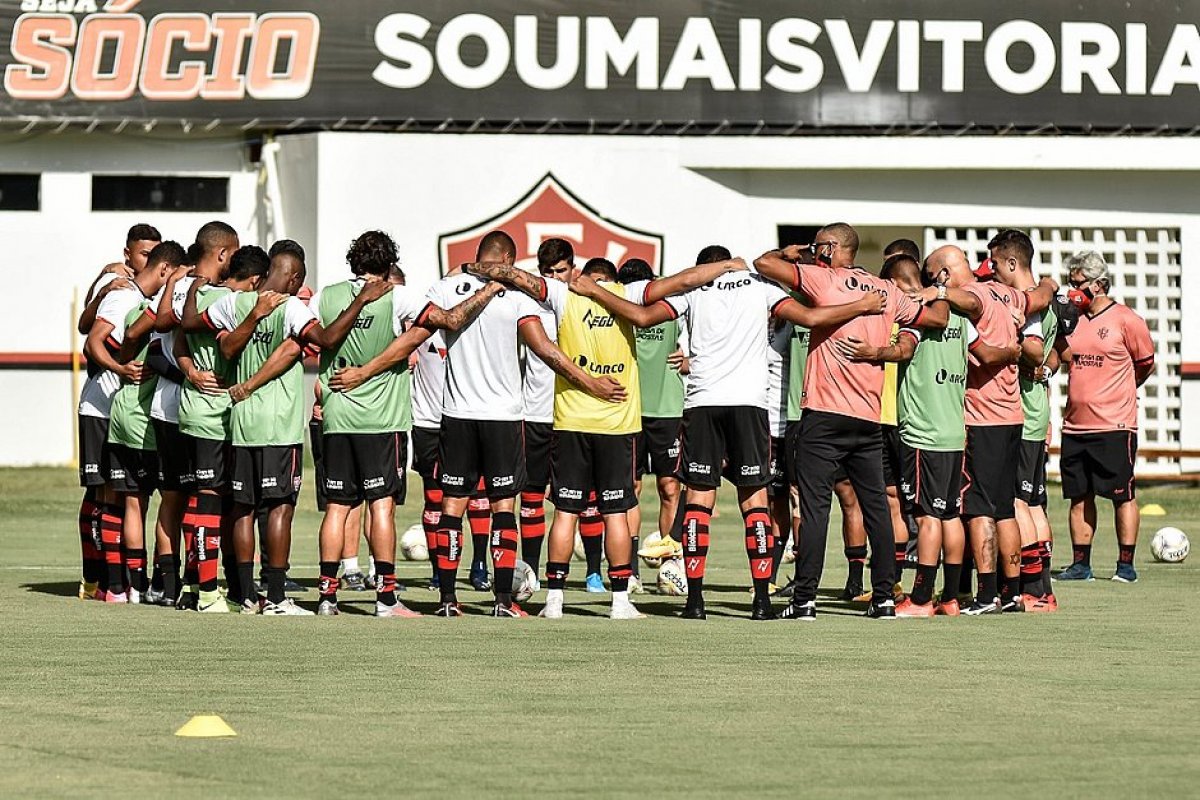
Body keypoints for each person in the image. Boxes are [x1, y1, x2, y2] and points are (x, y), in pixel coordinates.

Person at [576, 244, 885, 620]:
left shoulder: (694, 291)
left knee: (698, 504)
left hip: (703, 403)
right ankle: (761, 600)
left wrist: (595, 291)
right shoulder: (761, 287)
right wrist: (860, 306)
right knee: (755, 504)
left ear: (705, 268)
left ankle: (695, 601)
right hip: (750, 406)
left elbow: (641, 318)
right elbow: (810, 317)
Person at [332, 230, 622, 617]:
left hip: (456, 416)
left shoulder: (447, 288)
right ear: (507, 260)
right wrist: (591, 384)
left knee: (452, 507)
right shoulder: (518, 297)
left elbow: (410, 339)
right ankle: (503, 601)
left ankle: (447, 600)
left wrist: (364, 371)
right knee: (505, 507)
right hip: (503, 418)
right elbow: (545, 350)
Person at [471, 252, 741, 617]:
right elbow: (684, 280)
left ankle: (554, 600)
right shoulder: (629, 294)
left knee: (565, 511)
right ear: (614, 280)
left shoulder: (565, 294)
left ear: (582, 274)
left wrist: (475, 269)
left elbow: (513, 275)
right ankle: (619, 601)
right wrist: (726, 266)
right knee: (616, 511)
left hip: (570, 422)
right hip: (617, 424)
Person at [754, 225, 949, 620]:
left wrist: (793, 250)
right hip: (867, 419)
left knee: (815, 509)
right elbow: (938, 320)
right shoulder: (887, 291)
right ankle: (884, 598)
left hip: (823, 416)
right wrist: (937, 292)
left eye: (818, 246)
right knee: (876, 508)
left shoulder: (825, 278)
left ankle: (805, 599)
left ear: (828, 248)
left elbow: (763, 264)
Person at [310, 231, 501, 617]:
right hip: (381, 420)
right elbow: (451, 318)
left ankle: (328, 597)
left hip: (336, 416)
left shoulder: (325, 296)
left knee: (337, 508)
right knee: (381, 507)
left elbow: (313, 342)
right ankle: (385, 600)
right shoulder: (400, 296)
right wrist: (492, 287)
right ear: (388, 263)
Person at [838, 252, 1010, 616]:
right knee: (949, 515)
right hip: (954, 430)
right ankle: (949, 597)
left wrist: (873, 352)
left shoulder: (914, 316)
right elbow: (986, 354)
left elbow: (902, 351)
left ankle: (920, 599)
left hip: (921, 431)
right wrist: (1015, 352)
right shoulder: (962, 318)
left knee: (926, 515)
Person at [910, 247, 1057, 614]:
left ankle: (987, 593)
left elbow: (975, 316)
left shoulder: (972, 296)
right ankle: (1011, 594)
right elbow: (1039, 295)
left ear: (944, 273)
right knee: (1006, 508)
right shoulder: (1007, 293)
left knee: (978, 510)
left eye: (933, 275)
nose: (930, 282)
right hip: (1013, 417)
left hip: (983, 418)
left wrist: (940, 294)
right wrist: (1051, 284)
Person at [1053, 251, 1154, 584]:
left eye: (1079, 283)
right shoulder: (1072, 319)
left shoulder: (1126, 320)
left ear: (1100, 284)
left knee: (1121, 494)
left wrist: (1122, 389)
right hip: (1075, 425)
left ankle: (1125, 565)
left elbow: (1145, 363)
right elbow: (1063, 357)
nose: (1074, 290)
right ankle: (1081, 564)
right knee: (1079, 496)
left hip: (1115, 424)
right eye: (1071, 282)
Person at [75, 223, 162, 601]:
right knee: (101, 494)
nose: (148, 259)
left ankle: (119, 580)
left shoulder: (142, 294)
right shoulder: (116, 284)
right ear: (128, 254)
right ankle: (96, 580)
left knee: (123, 494)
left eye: (153, 253)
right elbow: (86, 335)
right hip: (100, 405)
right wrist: (120, 368)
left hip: (125, 411)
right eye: (143, 253)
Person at [987, 230, 1059, 610]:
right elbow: (1055, 354)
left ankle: (1032, 590)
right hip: (1035, 413)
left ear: (1012, 263)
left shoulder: (1028, 306)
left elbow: (1033, 349)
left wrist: (1015, 348)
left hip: (1024, 414)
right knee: (1031, 503)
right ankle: (1043, 589)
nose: (994, 271)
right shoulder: (1043, 297)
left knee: (1018, 503)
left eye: (997, 263)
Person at [618, 258, 688, 573]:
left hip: (668, 409)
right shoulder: (615, 307)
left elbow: (712, 333)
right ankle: (629, 568)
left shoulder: (672, 303)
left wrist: (691, 359)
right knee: (630, 489)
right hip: (627, 409)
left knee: (670, 487)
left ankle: (669, 563)